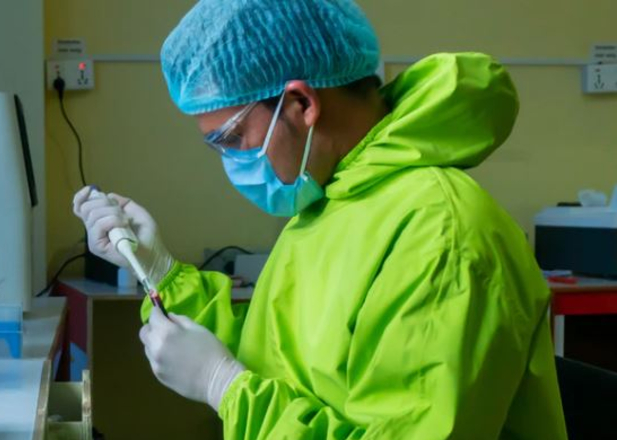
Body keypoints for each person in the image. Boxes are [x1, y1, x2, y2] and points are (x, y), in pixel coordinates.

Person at [71, 0, 567, 438]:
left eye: (231, 138)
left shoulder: (442, 236)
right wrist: (160, 272)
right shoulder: (332, 202)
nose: (229, 159)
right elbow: (274, 353)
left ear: (302, 103)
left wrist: (225, 388)